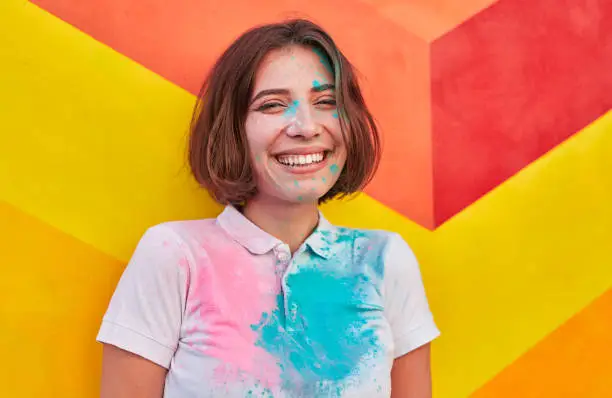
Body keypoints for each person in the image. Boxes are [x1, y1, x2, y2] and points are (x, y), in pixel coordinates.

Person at [98, 18, 440, 398]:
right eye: (273, 105)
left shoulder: (385, 259)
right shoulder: (175, 255)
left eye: (326, 102)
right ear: (233, 129)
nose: (306, 127)